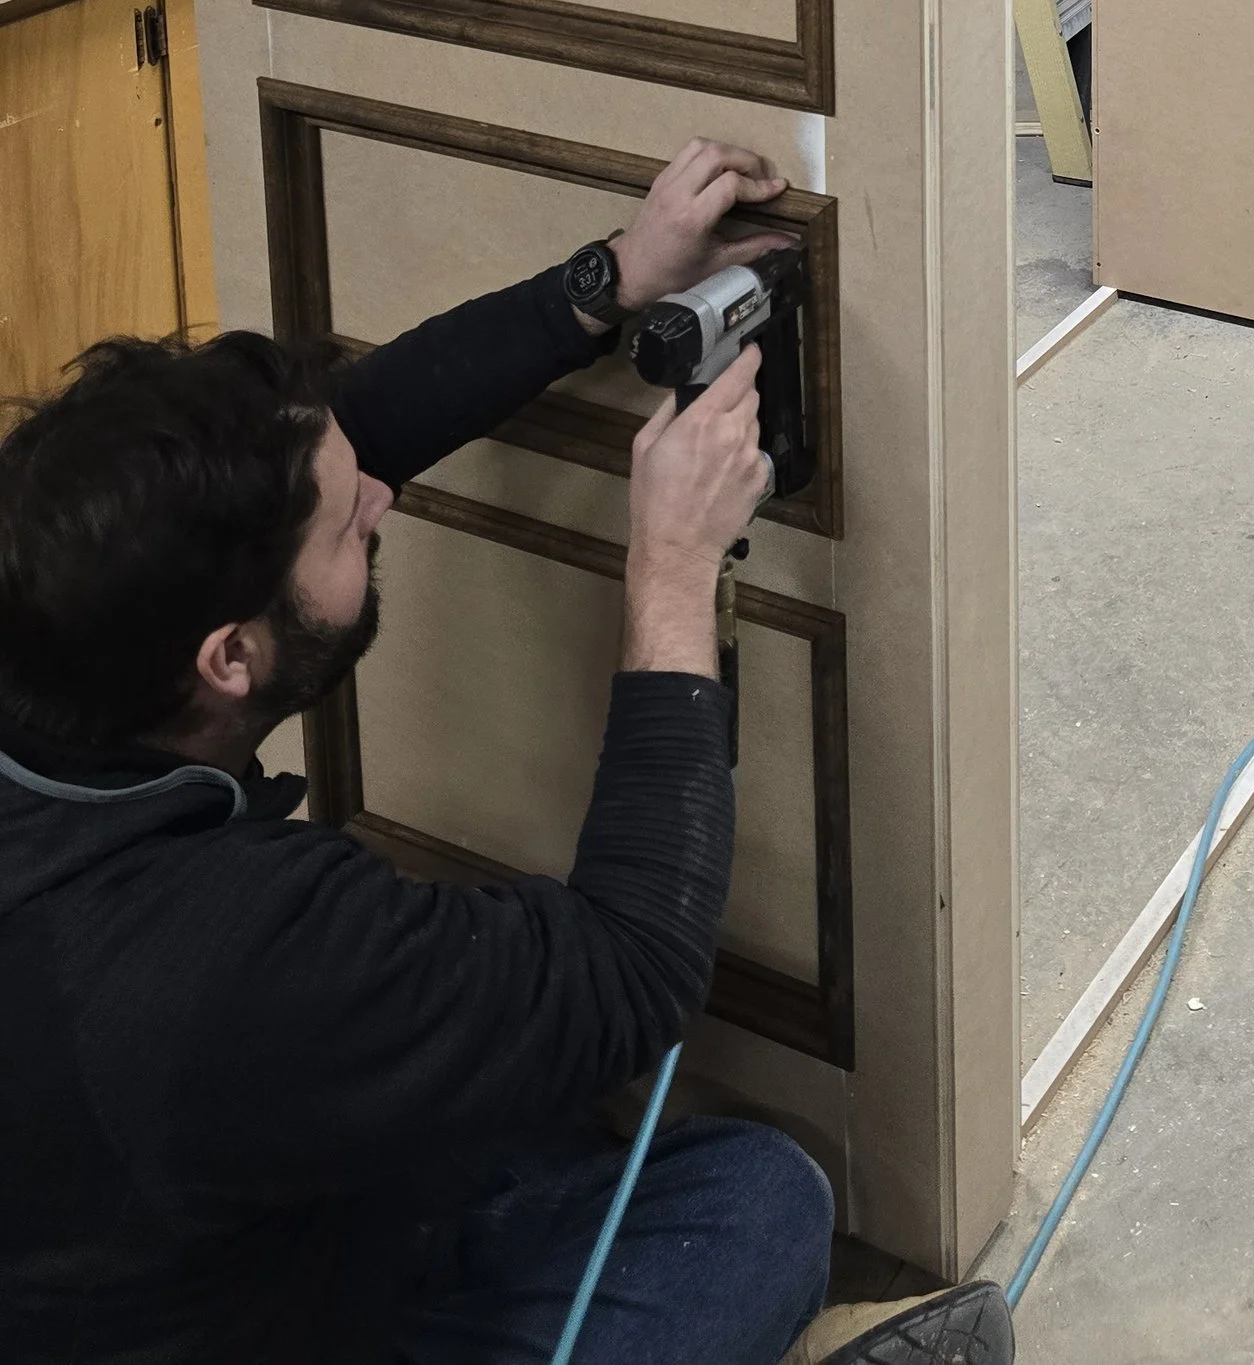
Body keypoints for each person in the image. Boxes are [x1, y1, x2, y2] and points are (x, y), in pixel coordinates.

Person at [0, 134, 847, 1365]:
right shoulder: (225, 953)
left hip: (131, 1209)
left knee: (533, 1122)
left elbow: (346, 440)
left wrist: (606, 280)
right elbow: (628, 974)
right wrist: (672, 569)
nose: (384, 499)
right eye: (354, 525)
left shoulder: (59, 610)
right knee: (755, 1209)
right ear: (227, 658)